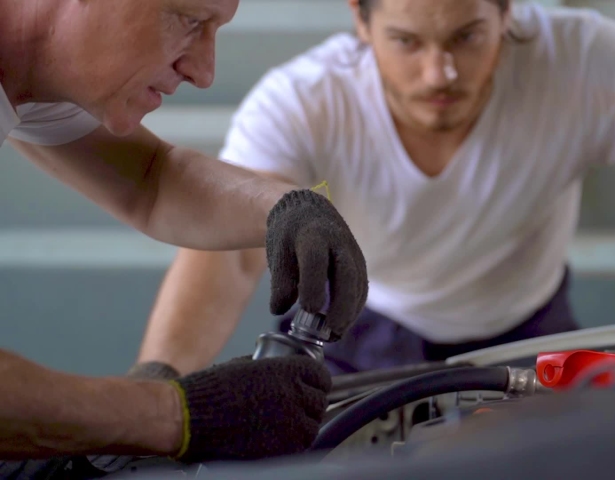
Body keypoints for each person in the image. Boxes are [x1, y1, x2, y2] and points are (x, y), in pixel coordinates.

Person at [133, 0, 615, 378]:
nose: (441, 73)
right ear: (360, 22)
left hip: (528, 326)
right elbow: (228, 251)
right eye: (406, 41)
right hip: (358, 329)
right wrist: (158, 388)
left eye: (467, 36)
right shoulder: (303, 100)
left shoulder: (583, 59)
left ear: (507, 13)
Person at [0, 0, 370, 475]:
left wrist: (288, 208)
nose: (203, 71)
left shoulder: (32, 69)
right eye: (189, 19)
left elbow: (150, 181)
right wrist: (172, 414)